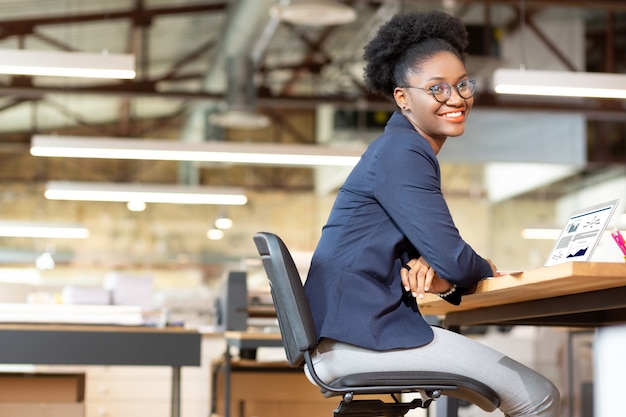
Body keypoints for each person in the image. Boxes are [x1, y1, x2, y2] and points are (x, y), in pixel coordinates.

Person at [303, 10, 561, 417]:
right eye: (437, 88)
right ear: (403, 97)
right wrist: (480, 268)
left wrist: (438, 270)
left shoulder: (398, 149)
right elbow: (457, 259)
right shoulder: (404, 152)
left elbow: (443, 262)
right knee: (539, 395)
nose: (456, 98)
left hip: (350, 336)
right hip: (361, 339)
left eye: (462, 84)